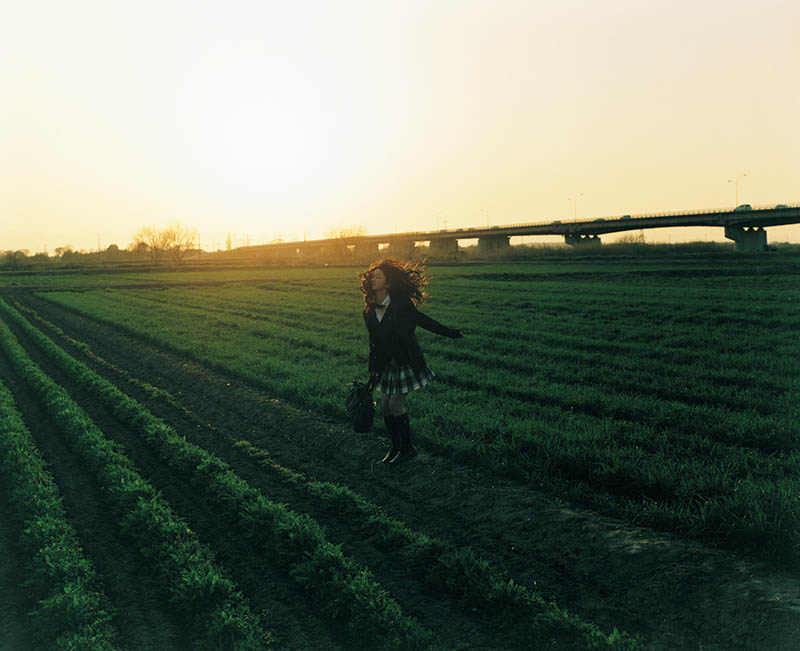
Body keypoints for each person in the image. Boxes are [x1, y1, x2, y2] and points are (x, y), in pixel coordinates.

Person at [359, 259, 464, 465]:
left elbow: (422, 320)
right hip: (386, 365)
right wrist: (373, 370)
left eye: (377, 276)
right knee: (386, 406)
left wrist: (451, 333)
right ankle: (396, 446)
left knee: (396, 403)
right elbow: (374, 342)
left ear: (388, 282)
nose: (372, 279)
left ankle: (407, 448)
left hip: (405, 361)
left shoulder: (400, 303)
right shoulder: (369, 310)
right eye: (372, 277)